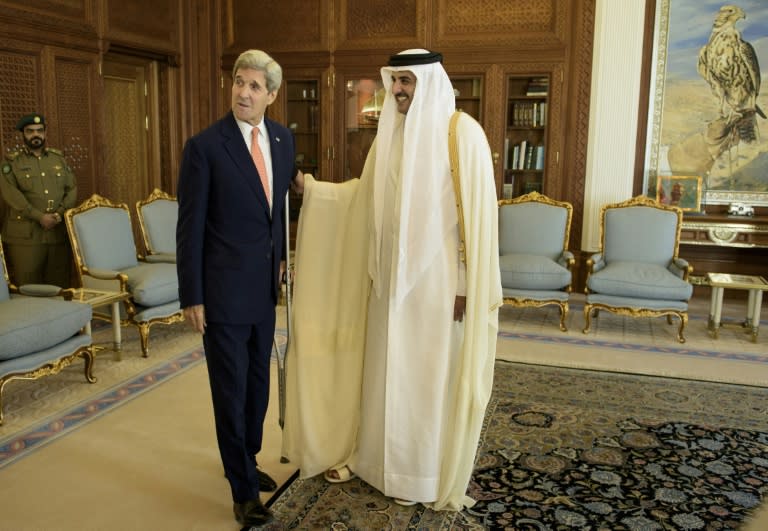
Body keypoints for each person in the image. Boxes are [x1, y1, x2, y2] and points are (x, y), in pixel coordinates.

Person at [282, 49, 502, 511]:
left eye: (408, 81)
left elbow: (476, 221)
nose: (398, 90)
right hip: (386, 284)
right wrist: (315, 191)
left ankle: (419, 473)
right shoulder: (389, 138)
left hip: (438, 285)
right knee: (383, 372)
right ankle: (374, 462)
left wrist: (465, 283)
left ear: (429, 82)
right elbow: (363, 199)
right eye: (395, 80)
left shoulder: (462, 135)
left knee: (425, 376)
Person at [176, 49, 302, 528]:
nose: (244, 93)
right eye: (238, 82)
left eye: (254, 86)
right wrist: (193, 295)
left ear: (271, 95)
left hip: (264, 291)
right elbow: (190, 227)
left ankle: (247, 459)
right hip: (222, 295)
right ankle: (242, 489)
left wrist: (285, 255)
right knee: (229, 391)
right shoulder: (205, 147)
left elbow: (279, 211)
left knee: (258, 385)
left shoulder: (282, 139)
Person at [0, 113, 77, 287]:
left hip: (57, 234)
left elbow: (72, 188)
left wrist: (59, 213)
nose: (36, 135)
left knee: (59, 286)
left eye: (39, 131)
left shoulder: (58, 159)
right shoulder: (11, 163)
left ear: (45, 133)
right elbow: (12, 195)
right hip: (26, 237)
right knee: (29, 287)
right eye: (30, 131)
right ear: (23, 135)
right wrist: (39, 217)